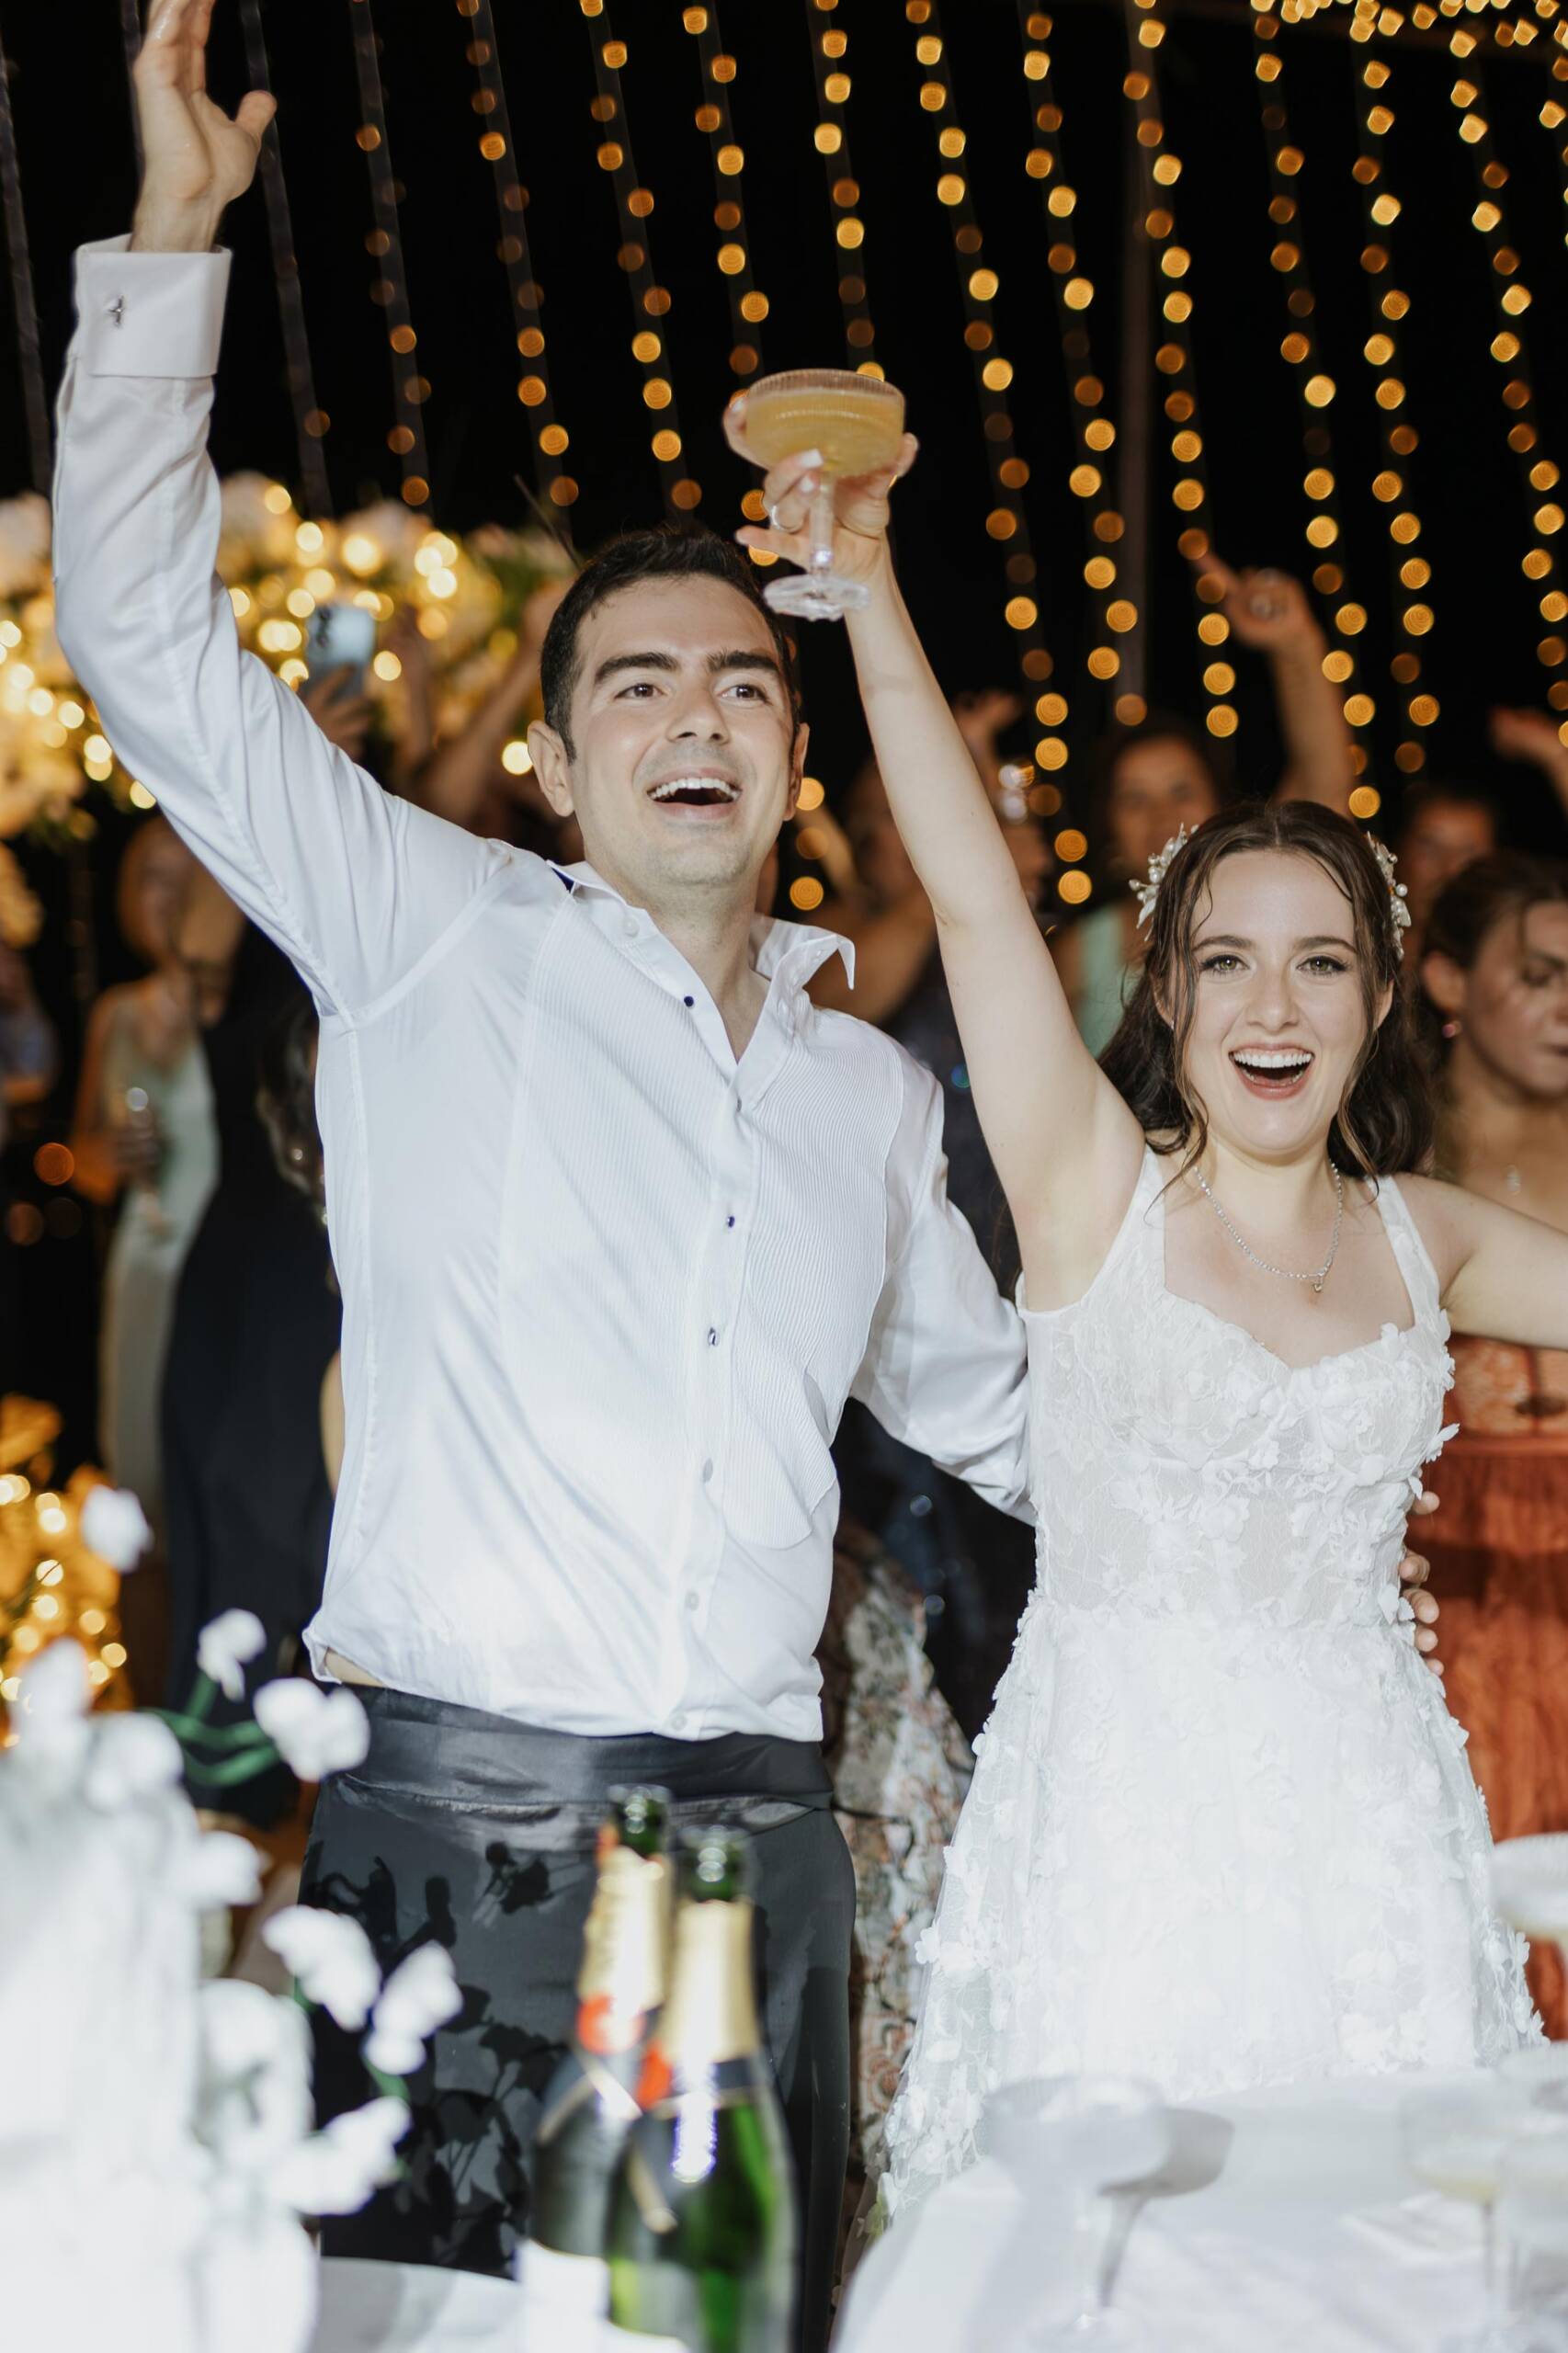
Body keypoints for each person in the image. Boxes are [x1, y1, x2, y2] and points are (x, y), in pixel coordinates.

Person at [51, 15, 1026, 2341]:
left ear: (790, 754)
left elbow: (1007, 1414)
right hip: (447, 1834)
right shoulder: (433, 936)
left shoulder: (867, 1100)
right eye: (637, 686)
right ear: (558, 769)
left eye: (742, 685)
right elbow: (147, 642)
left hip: (750, 1853)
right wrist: (173, 240)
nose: (698, 715)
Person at [727, 437, 1564, 2222]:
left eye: (1320, 959)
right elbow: (971, 892)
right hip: (1123, 1854)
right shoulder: (1089, 1188)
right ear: (1163, 989)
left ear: (1377, 996)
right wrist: (867, 589)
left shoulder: (1426, 1235)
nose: (1275, 1003)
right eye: (1228, 960)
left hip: (1377, 1857)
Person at [1416, 852, 1568, 2033]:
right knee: (1475, 1859)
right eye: (1539, 975)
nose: (1567, 1006)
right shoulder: (1399, 1152)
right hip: (1454, 1559)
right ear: (1444, 982)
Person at [1056, 558, 1358, 1054]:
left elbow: (1324, 783)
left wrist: (1295, 644)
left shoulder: (1263, 904)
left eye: (1181, 791)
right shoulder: (1076, 953)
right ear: (1107, 825)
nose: (1161, 816)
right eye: (1134, 798)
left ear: (1221, 807)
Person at [71, 816, 217, 1533]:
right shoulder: (115, 1014)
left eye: (188, 874)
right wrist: (107, 1155)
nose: (171, 893)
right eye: (155, 877)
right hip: (143, 1266)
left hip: (218, 1256)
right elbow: (85, 1165)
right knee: (140, 1479)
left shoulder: (232, 1006)